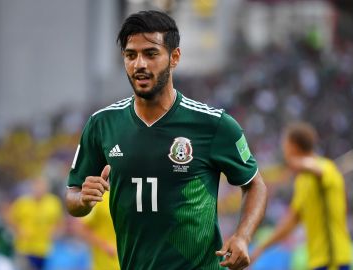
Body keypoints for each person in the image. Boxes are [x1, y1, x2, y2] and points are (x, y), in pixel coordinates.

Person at [66, 10, 267, 270]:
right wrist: (82, 199)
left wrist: (242, 236)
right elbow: (72, 195)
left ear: (174, 57)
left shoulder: (213, 124)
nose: (139, 64)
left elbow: (254, 185)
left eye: (151, 54)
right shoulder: (102, 125)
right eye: (131, 55)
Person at [251, 122, 353, 270]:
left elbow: (316, 169)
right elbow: (290, 222)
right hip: (318, 261)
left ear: (293, 146)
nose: (283, 149)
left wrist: (296, 162)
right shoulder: (302, 181)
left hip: (334, 258)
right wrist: (261, 248)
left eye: (285, 143)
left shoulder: (327, 167)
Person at [5, 176, 63, 270]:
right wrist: (18, 229)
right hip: (25, 247)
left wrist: (55, 231)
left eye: (42, 187)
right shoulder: (23, 202)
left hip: (44, 248)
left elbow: (60, 222)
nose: (39, 190)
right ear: (32, 187)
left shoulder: (54, 203)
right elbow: (10, 218)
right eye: (36, 187)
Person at [74, 191, 119, 270]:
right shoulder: (100, 199)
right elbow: (81, 227)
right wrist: (105, 246)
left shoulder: (135, 199)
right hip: (106, 264)